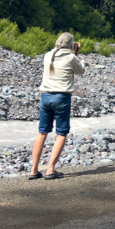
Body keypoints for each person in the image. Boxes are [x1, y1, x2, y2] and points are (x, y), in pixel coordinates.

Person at [29, 32, 85, 180]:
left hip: (45, 96)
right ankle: (50, 170)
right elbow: (81, 71)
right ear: (71, 45)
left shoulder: (48, 55)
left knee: (42, 132)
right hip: (61, 97)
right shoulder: (71, 57)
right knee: (61, 133)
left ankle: (34, 170)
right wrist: (77, 54)